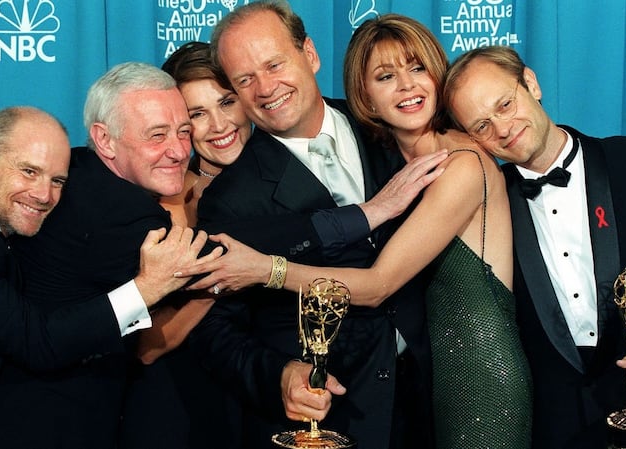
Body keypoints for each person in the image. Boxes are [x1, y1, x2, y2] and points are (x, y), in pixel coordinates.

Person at [180, 14, 533, 449]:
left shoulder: (391, 134)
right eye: (245, 79)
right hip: (334, 417)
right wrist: (279, 376)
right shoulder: (231, 197)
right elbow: (213, 334)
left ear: (309, 54)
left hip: (433, 396)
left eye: (274, 65)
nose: (266, 88)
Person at [0, 106, 207, 449]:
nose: (43, 195)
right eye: (28, 172)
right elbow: (38, 342)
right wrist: (145, 288)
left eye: (57, 181)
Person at [442, 45, 626, 448]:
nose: (502, 129)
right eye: (482, 126)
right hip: (556, 429)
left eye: (505, 104)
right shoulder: (485, 206)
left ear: (531, 84)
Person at [0, 64, 221, 449]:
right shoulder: (129, 217)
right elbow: (222, 257)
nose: (179, 150)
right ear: (104, 140)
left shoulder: (73, 168)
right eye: (157, 135)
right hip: (52, 424)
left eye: (184, 131)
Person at [119, 41, 252, 449]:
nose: (219, 125)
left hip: (264, 400)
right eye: (196, 114)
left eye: (227, 102)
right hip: (180, 406)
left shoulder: (290, 184)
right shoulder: (169, 203)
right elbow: (146, 346)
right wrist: (221, 279)